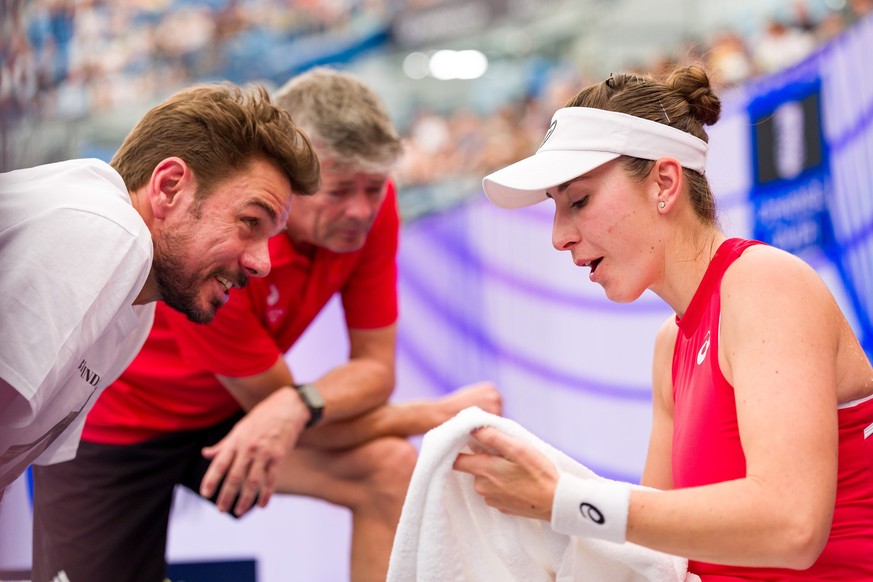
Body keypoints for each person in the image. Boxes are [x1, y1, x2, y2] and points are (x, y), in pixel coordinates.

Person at [31, 67, 502, 582]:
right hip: (120, 424)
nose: (361, 210)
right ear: (291, 184)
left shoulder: (372, 208)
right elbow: (288, 415)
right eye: (340, 190)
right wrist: (433, 414)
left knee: (388, 471)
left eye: (374, 187)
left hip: (234, 410)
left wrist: (297, 404)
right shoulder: (228, 252)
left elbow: (370, 374)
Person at [455, 65, 873, 579]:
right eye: (555, 209)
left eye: (579, 201)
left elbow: (792, 526)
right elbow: (655, 562)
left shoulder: (764, 283)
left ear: (666, 183)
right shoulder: (670, 343)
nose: (559, 236)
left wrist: (565, 500)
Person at [0, 83, 319, 502]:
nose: (263, 263)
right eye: (250, 222)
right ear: (169, 186)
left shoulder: (137, 301)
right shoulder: (109, 229)